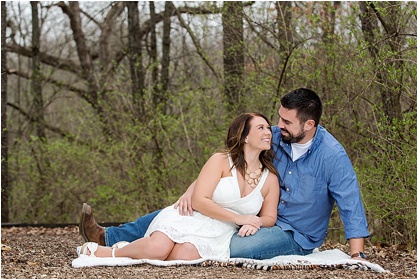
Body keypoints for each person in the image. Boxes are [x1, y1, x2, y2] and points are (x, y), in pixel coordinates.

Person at [78, 88, 370, 261]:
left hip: (296, 233)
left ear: (308, 125)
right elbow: (228, 158)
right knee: (182, 211)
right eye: (276, 119)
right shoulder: (278, 138)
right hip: (246, 215)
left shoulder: (332, 156)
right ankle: (109, 237)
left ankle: (162, 250)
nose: (276, 125)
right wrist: (192, 189)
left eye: (285, 121)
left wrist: (357, 256)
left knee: (235, 247)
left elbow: (351, 204)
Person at [77, 113, 279, 262]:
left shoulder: (269, 179)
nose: (268, 132)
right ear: (244, 136)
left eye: (268, 128)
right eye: (260, 128)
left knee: (183, 256)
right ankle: (110, 252)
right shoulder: (220, 160)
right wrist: (239, 218)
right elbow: (200, 200)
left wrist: (254, 222)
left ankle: (130, 248)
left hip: (220, 230)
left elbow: (270, 218)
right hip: (192, 216)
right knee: (158, 249)